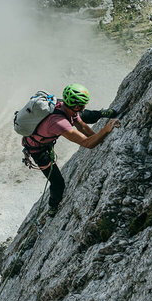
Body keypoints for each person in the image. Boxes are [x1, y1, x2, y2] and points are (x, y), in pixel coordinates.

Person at [22, 83, 120, 216]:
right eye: (82, 105)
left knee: (84, 115)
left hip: (49, 133)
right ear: (75, 105)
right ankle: (52, 207)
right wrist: (106, 130)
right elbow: (87, 143)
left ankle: (102, 113)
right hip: (38, 151)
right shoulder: (59, 123)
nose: (84, 106)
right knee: (58, 183)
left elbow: (82, 126)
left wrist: (99, 138)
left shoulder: (64, 106)